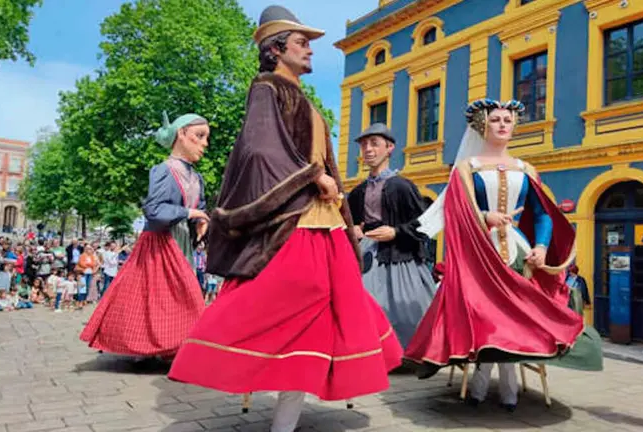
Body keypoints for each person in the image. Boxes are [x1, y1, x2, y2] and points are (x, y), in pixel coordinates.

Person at [168, 7, 402, 432]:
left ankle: (286, 419)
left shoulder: (299, 95)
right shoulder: (267, 88)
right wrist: (315, 177)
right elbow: (260, 150)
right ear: (276, 49)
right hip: (298, 223)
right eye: (301, 43)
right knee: (285, 310)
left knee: (327, 317)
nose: (310, 50)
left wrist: (328, 188)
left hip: (325, 225)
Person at [407, 99, 597, 411]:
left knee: (513, 321)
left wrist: (541, 247)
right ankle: (485, 388)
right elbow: (457, 211)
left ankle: (502, 391)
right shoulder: (466, 169)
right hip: (481, 251)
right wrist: (486, 217)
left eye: (507, 120)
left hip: (518, 253)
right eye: (495, 119)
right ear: (482, 124)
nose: (502, 125)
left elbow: (543, 214)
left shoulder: (526, 169)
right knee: (489, 320)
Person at [80, 110, 209, 357]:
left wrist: (200, 221)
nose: (205, 143)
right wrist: (190, 213)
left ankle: (177, 346)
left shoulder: (197, 178)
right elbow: (154, 210)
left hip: (183, 242)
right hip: (160, 243)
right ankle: (154, 346)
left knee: (180, 296)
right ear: (181, 134)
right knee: (159, 297)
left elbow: (198, 207)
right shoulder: (164, 170)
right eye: (200, 135)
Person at [347, 123, 436, 347]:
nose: (368, 149)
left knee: (407, 311)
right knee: (361, 307)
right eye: (364, 145)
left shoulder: (403, 187)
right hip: (365, 257)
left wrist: (396, 232)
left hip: (400, 258)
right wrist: (353, 230)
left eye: (374, 144)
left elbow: (424, 225)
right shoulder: (357, 192)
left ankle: (405, 354)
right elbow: (347, 224)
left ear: (389, 148)